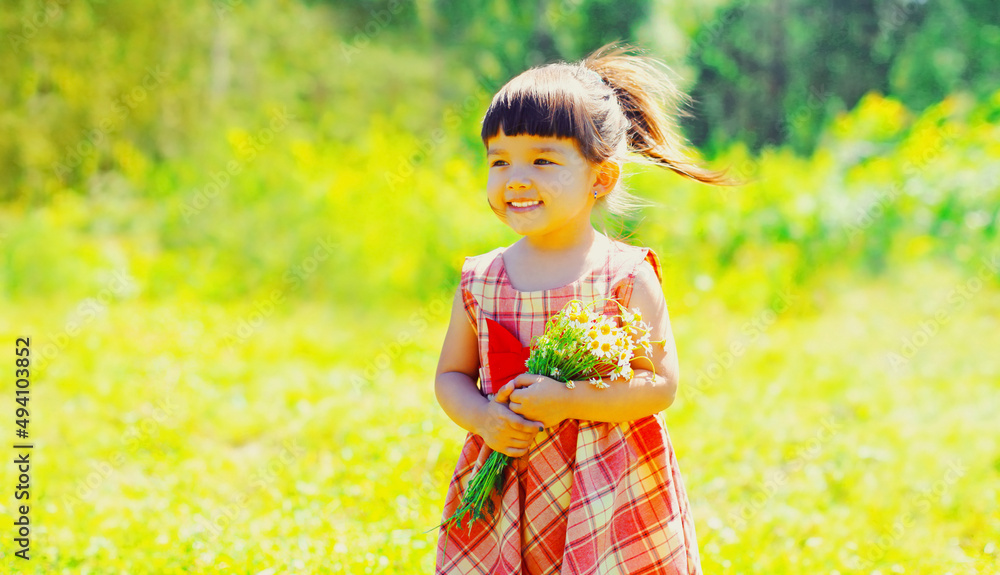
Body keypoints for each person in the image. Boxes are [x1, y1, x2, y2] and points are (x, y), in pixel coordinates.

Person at [433, 43, 732, 575]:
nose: (516, 178)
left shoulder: (625, 276)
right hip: (510, 481)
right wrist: (483, 418)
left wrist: (568, 397)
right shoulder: (482, 278)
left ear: (601, 178)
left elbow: (659, 384)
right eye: (499, 161)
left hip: (607, 489)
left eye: (543, 161)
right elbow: (452, 375)